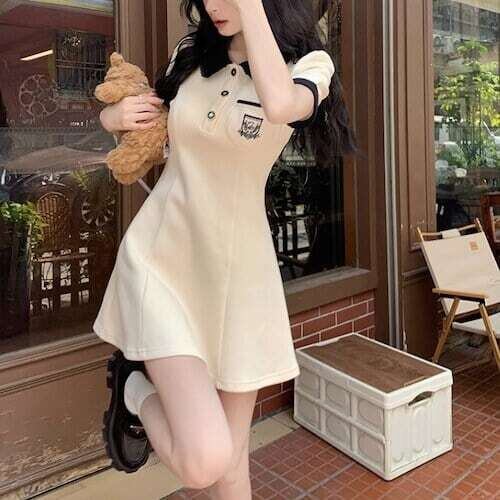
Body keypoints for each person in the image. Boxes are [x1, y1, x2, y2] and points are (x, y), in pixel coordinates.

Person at [94, 0, 358, 498]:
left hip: (240, 281)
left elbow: (280, 106)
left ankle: (132, 386)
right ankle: (132, 389)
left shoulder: (309, 65)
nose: (212, 5)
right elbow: (149, 128)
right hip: (163, 262)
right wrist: (113, 116)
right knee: (204, 461)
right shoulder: (191, 55)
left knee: (232, 465)